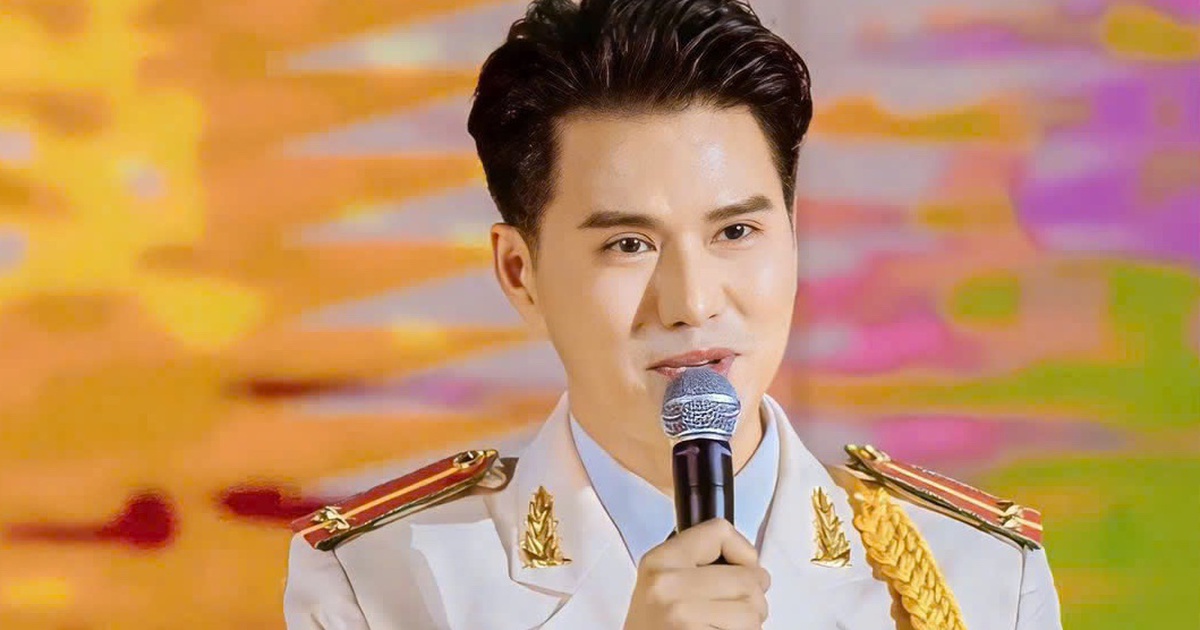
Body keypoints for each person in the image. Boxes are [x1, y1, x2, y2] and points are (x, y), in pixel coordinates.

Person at [282, 0, 1063, 628]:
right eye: (628, 244)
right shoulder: (381, 584)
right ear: (520, 274)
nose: (692, 303)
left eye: (736, 232)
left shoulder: (977, 575)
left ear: (793, 235)